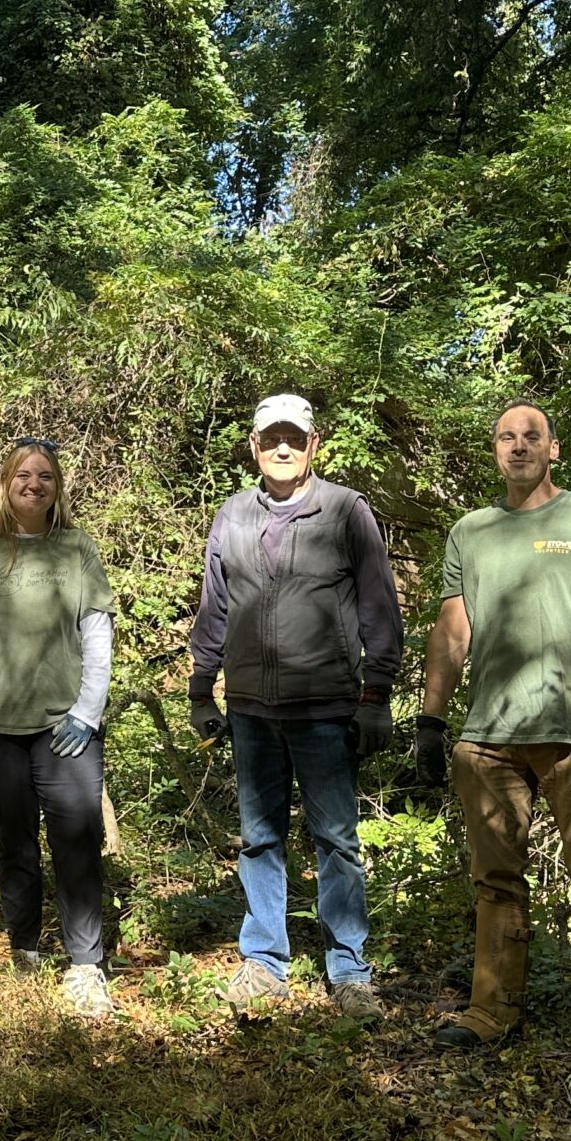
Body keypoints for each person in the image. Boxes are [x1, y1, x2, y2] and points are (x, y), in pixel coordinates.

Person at [413, 398, 571, 1081]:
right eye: (505, 437)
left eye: (531, 436)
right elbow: (452, 631)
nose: (517, 446)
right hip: (489, 739)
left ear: (553, 449)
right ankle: (491, 1013)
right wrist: (431, 721)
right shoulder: (472, 532)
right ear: (495, 451)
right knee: (494, 880)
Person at [188, 393, 404, 1021]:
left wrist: (375, 697)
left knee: (336, 840)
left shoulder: (346, 511)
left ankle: (349, 971)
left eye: (293, 438)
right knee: (259, 839)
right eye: (271, 438)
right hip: (251, 709)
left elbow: (379, 609)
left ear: (314, 444)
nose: (282, 448)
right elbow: (215, 609)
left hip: (326, 707)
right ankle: (263, 962)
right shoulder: (232, 516)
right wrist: (202, 689)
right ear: (254, 446)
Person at [0, 438, 117, 1018]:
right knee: (12, 840)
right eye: (23, 476)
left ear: (57, 488)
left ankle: (85, 965)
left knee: (77, 839)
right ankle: (26, 950)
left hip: (66, 726)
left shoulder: (78, 548)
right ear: (5, 485)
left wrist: (87, 713)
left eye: (45, 477)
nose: (33, 485)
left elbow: (98, 637)